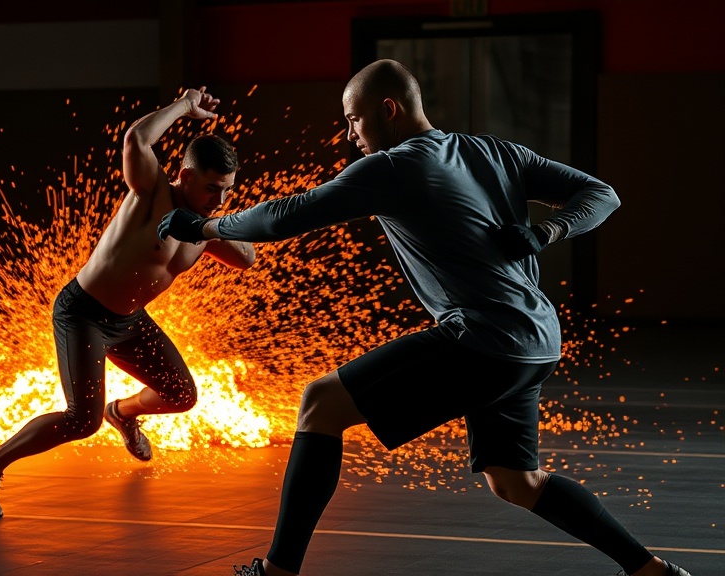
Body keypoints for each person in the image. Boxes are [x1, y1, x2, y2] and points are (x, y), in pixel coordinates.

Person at [159, 60, 691, 576]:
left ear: (388, 109)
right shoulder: (494, 151)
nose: (350, 135)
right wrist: (549, 232)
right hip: (536, 341)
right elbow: (601, 193)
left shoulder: (394, 166)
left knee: (320, 402)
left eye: (354, 119)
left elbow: (288, 214)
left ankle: (277, 572)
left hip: (483, 339)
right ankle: (651, 571)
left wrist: (205, 227)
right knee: (516, 483)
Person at [0, 87, 256, 518]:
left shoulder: (203, 226)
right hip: (83, 313)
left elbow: (245, 258)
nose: (221, 199)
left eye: (228, 190)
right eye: (213, 188)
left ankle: (123, 413)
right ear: (186, 177)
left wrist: (214, 223)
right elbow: (137, 139)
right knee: (82, 420)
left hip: (130, 321)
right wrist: (182, 107)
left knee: (180, 394)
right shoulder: (151, 192)